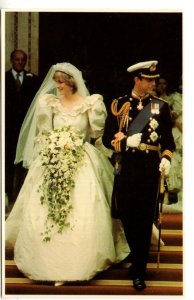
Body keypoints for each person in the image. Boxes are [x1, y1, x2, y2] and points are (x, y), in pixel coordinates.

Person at [5, 62, 130, 286]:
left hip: (81, 158)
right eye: (56, 82)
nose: (57, 86)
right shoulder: (49, 104)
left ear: (72, 83)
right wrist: (52, 150)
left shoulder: (91, 104)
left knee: (84, 208)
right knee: (47, 209)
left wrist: (110, 152)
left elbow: (96, 134)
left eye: (61, 82)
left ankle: (78, 261)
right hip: (53, 160)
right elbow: (44, 134)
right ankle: (47, 262)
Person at [102, 60, 176, 290]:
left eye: (154, 79)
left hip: (148, 170)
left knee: (144, 219)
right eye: (149, 80)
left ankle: (139, 270)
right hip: (127, 168)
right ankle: (136, 257)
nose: (153, 83)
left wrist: (166, 158)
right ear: (137, 80)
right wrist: (124, 144)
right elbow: (106, 139)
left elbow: (168, 141)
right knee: (128, 216)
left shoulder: (160, 106)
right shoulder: (119, 104)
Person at [5, 49, 40, 204]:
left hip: (25, 129)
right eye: (17, 59)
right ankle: (6, 194)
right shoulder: (4, 78)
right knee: (8, 161)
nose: (20, 62)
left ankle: (20, 197)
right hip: (7, 129)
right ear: (12, 60)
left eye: (22, 60)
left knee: (24, 163)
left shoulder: (33, 79)